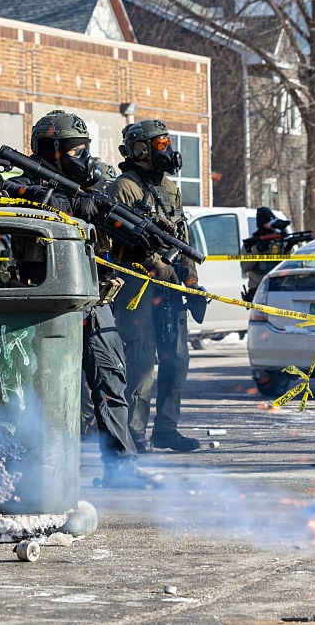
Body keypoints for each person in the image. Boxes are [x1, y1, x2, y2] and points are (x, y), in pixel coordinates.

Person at [3, 110, 162, 488]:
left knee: (111, 380)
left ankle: (120, 466)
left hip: (93, 299)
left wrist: (137, 242)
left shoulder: (91, 190)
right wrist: (69, 204)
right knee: (41, 390)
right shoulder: (23, 183)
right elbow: (16, 203)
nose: (82, 158)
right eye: (74, 151)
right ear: (51, 150)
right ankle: (39, 473)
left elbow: (110, 239)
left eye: (84, 150)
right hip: (43, 305)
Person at [106, 119, 201, 453]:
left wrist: (190, 280)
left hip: (172, 287)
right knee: (142, 361)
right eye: (160, 145)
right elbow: (122, 240)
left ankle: (166, 429)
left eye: (168, 143)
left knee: (176, 358)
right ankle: (133, 433)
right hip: (138, 288)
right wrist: (156, 266)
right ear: (140, 149)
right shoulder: (124, 187)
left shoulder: (171, 188)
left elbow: (182, 237)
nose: (168, 151)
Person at [241, 206, 298, 302]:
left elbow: (291, 264)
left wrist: (288, 248)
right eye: (268, 222)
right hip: (259, 287)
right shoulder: (252, 243)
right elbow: (245, 267)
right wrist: (258, 250)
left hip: (279, 286)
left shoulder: (279, 240)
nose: (271, 225)